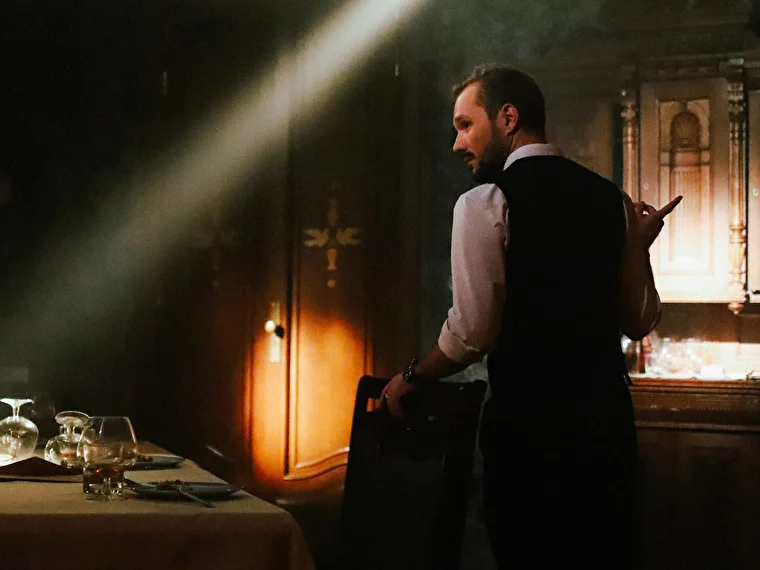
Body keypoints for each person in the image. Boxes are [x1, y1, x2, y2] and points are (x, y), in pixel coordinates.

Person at [381, 63, 681, 569]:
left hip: (532, 436)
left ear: (508, 117)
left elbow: (471, 335)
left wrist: (413, 375)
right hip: (606, 432)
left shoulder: (484, 202)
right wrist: (637, 249)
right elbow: (637, 322)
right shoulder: (609, 198)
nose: (457, 144)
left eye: (465, 125)